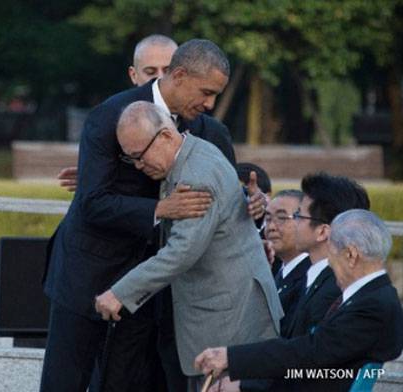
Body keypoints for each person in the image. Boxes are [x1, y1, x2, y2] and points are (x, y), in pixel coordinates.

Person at [41, 39, 267, 392]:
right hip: (87, 274)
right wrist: (160, 209)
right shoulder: (109, 116)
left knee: (127, 384)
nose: (210, 104)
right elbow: (91, 203)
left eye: (216, 96)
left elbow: (225, 205)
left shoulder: (212, 131)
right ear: (179, 75)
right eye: (206, 92)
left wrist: (253, 205)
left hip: (157, 291)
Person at [94, 101, 283, 392]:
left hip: (230, 319)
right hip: (229, 311)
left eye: (140, 157)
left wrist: (119, 293)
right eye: (132, 160)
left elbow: (181, 252)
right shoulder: (194, 151)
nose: (140, 167)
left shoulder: (196, 177)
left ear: (167, 136)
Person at [195, 209, 403, 392]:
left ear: (350, 255)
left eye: (331, 254)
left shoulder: (373, 305)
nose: (329, 263)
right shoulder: (370, 297)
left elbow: (308, 353)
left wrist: (231, 358)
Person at [58, 34, 178, 192]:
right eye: (150, 72)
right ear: (133, 75)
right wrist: (97, 176)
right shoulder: (108, 118)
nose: (159, 79)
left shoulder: (196, 118)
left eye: (167, 71)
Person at [284, 173, 370, 339]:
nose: (293, 222)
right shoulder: (317, 277)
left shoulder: (334, 290)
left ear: (322, 231)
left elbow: (306, 355)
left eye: (298, 215)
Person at [263, 190, 311, 336]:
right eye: (268, 218)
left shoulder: (309, 279)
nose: (271, 227)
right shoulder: (277, 270)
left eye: (282, 218)